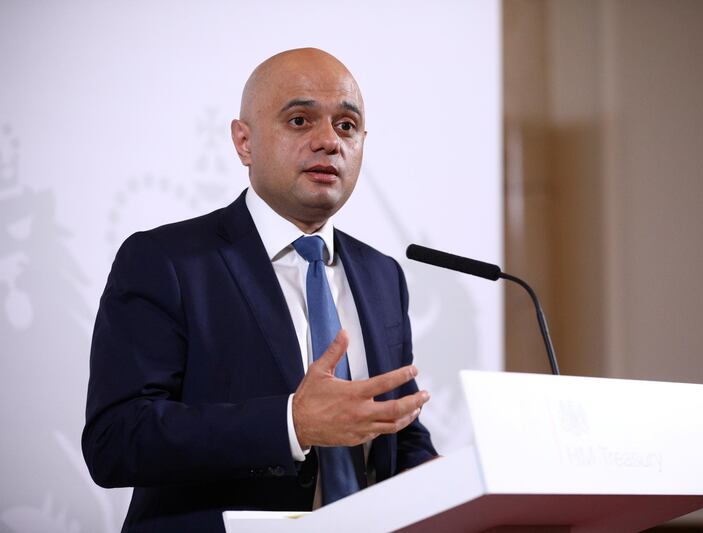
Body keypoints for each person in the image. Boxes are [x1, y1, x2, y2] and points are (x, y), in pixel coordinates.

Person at [82, 48, 437, 532]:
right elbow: (117, 440)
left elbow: (397, 434)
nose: (329, 142)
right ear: (243, 142)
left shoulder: (382, 275)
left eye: (347, 126)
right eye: (299, 120)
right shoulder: (166, 261)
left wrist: (458, 485)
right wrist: (292, 424)